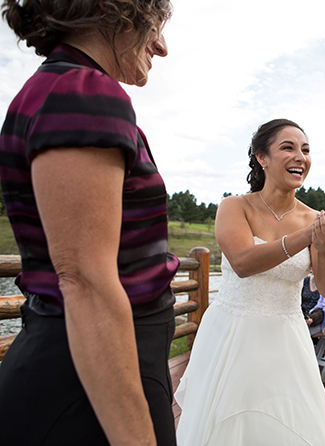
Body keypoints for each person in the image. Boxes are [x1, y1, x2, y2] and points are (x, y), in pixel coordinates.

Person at [0, 1, 178, 444]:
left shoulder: (60, 87)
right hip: (90, 380)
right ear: (116, 14)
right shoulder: (82, 92)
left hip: (96, 367)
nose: (162, 46)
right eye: (155, 27)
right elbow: (84, 280)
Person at [174, 119, 325, 445]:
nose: (300, 156)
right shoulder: (235, 206)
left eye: (305, 150)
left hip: (285, 338)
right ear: (262, 157)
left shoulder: (314, 218)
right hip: (232, 334)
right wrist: (307, 236)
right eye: (288, 147)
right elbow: (243, 262)